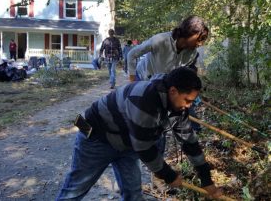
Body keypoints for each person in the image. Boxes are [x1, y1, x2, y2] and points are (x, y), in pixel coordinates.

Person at [56, 67, 223, 201]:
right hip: (96, 138)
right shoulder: (145, 99)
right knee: (74, 191)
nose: (188, 106)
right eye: (187, 100)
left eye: (192, 102)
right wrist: (169, 175)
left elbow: (190, 144)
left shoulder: (178, 108)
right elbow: (144, 148)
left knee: (134, 194)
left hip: (127, 142)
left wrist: (206, 180)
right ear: (173, 91)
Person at [127, 15, 208, 132]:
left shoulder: (191, 54)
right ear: (191, 32)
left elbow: (183, 75)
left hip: (163, 82)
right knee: (142, 112)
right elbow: (132, 54)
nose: (200, 44)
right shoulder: (160, 40)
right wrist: (132, 81)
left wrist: (191, 94)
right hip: (143, 77)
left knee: (159, 114)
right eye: (200, 39)